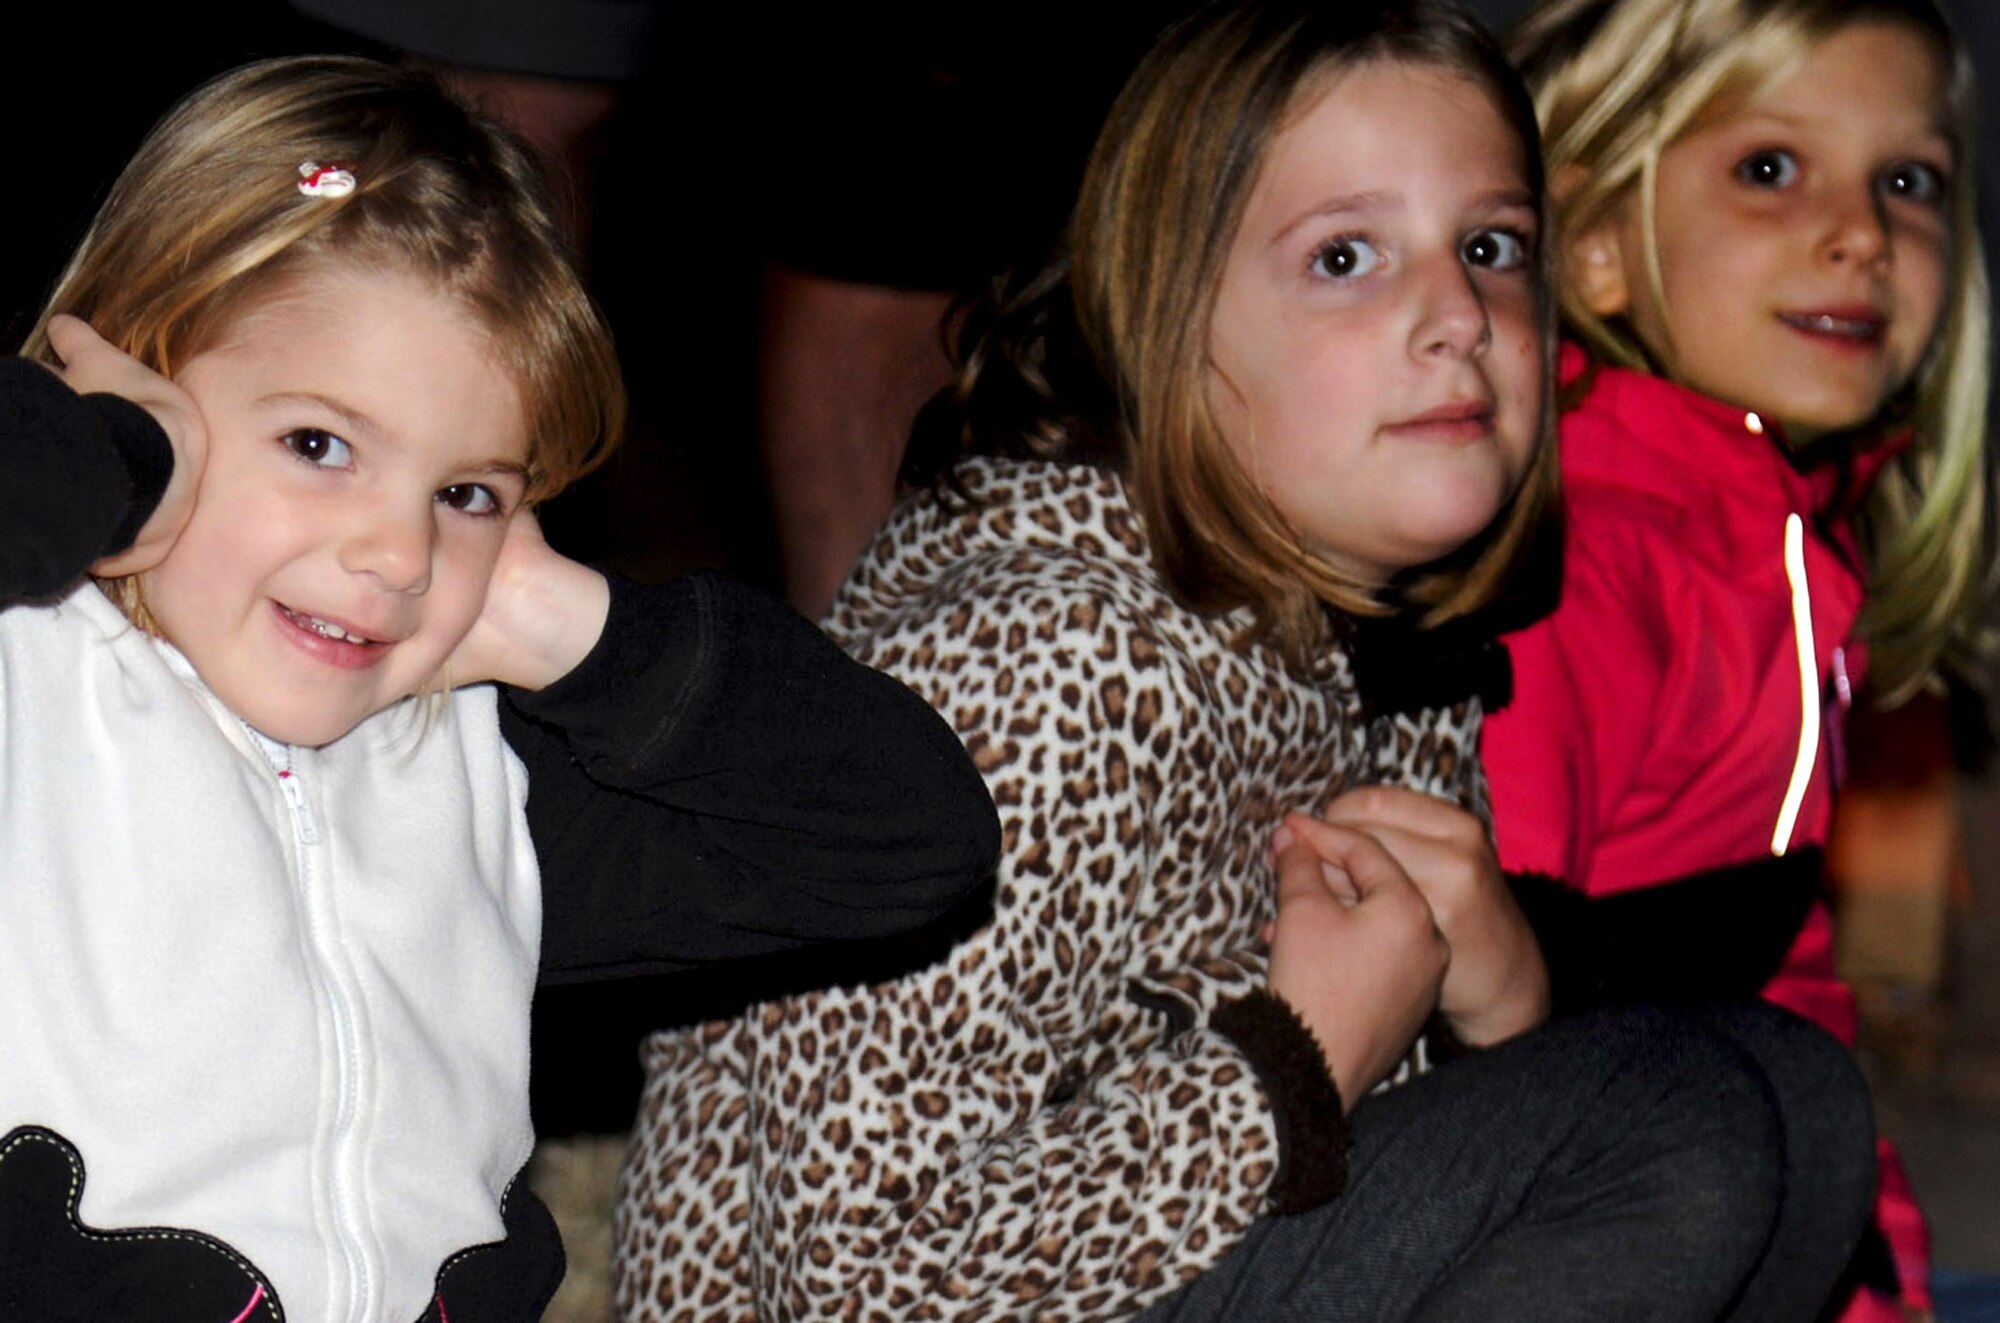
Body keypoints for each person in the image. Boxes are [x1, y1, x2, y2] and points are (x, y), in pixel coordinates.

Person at [613, 2, 1879, 1318]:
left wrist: (1501, 1001)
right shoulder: (1041, 662)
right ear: (1168, 328)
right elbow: (843, 1272)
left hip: (1178, 1249)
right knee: (1674, 1122)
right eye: (1345, 257)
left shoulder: (1383, 632)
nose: (1457, 314)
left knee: (1794, 1098)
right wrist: (1289, 1059)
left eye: (1489, 247)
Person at [0, 56, 999, 1323]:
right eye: (319, 444)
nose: (398, 552)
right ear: (136, 382)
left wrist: (570, 626)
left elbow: (915, 842)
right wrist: (107, 457)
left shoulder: (475, 782)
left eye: (465, 491)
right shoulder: (35, 692)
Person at [1475, 1, 1992, 1318]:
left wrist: (1872, 1281)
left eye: (1908, 182)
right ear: (1596, 245)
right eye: (1770, 167)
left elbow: (1778, 973)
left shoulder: (1782, 548)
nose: (1861, 233)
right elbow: (1478, 1025)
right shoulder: (1577, 564)